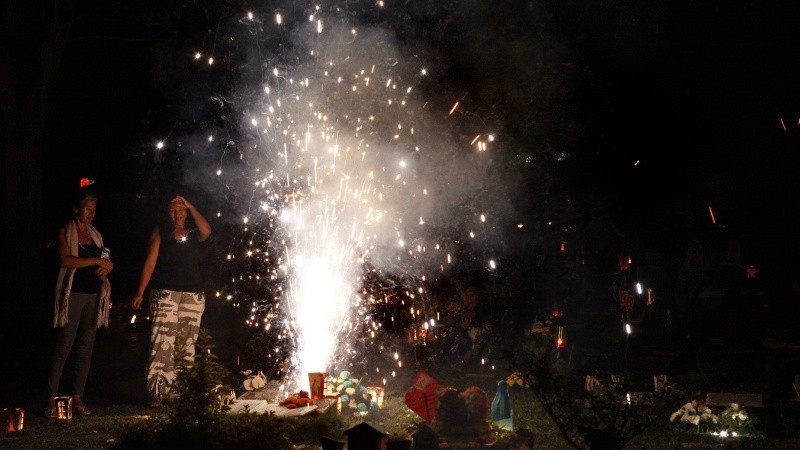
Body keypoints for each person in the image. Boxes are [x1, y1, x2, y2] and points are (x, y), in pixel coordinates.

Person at [131, 195, 212, 408]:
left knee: (187, 344)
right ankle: (157, 392)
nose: (178, 214)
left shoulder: (194, 234)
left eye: (182, 209)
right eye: (174, 209)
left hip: (192, 295)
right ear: (168, 213)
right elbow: (150, 262)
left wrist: (191, 205)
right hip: (165, 294)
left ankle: (182, 391)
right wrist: (140, 291)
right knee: (162, 342)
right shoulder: (161, 232)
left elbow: (207, 231)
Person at [46, 190, 114, 417]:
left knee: (86, 347)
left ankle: (77, 397)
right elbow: (66, 260)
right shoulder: (66, 231)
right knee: (64, 345)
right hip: (73, 294)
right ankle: (50, 398)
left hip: (94, 295)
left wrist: (106, 266)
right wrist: (96, 260)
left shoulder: (96, 235)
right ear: (77, 209)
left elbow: (104, 262)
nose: (91, 213)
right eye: (87, 208)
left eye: (94, 209)